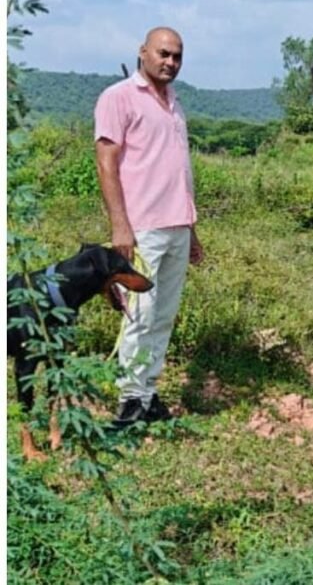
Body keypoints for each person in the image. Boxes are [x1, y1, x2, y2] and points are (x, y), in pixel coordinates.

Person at [95, 26, 205, 427]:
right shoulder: (118, 98)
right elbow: (106, 162)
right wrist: (120, 226)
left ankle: (148, 393)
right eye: (163, 53)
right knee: (139, 315)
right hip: (142, 229)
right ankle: (129, 402)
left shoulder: (175, 103)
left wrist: (191, 229)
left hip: (177, 225)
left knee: (163, 315)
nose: (170, 62)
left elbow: (180, 173)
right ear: (143, 52)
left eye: (176, 56)